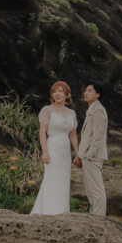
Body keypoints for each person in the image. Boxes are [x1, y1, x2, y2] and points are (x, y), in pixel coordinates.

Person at [30, 80, 79, 215]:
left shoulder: (71, 114)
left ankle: (62, 211)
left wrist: (77, 153)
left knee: (63, 180)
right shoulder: (48, 110)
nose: (57, 94)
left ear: (66, 94)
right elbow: (42, 132)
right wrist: (45, 152)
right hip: (52, 147)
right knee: (51, 178)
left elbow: (73, 134)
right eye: (54, 91)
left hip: (65, 151)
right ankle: (48, 211)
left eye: (60, 91)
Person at [74, 82, 108, 217]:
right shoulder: (92, 109)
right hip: (87, 156)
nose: (85, 93)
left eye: (89, 90)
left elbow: (98, 135)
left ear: (97, 94)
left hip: (92, 157)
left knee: (97, 191)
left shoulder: (98, 110)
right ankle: (94, 217)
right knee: (90, 190)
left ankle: (98, 220)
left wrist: (89, 155)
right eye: (85, 90)